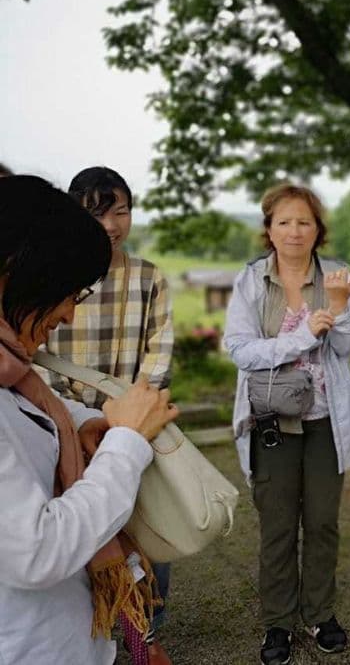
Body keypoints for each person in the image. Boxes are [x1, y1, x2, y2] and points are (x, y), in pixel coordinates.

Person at [0, 175, 177, 665]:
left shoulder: (14, 369)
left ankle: (141, 631)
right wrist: (124, 441)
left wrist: (83, 420)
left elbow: (34, 408)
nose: (68, 315)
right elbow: (38, 552)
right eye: (67, 293)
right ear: (19, 272)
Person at [224, 183, 350, 664]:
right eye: (283, 221)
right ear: (268, 229)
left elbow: (348, 346)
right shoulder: (249, 281)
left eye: (304, 221)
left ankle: (320, 613)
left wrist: (340, 307)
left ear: (318, 229)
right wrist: (303, 336)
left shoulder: (339, 278)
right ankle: (278, 623)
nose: (294, 231)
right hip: (271, 420)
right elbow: (240, 350)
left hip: (326, 420)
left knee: (323, 522)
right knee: (278, 526)